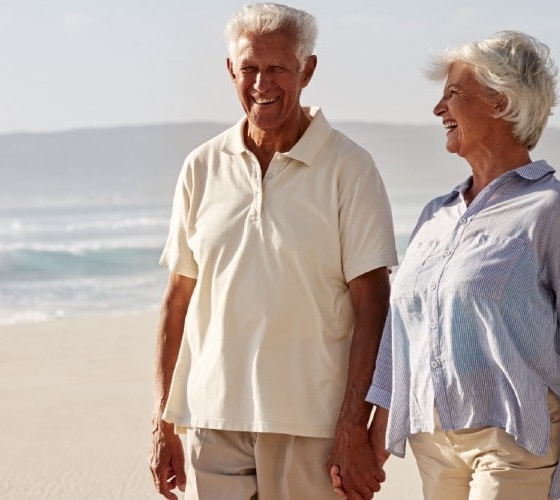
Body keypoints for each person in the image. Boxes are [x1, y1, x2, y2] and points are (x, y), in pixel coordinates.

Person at [354, 31, 560, 499]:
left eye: (453, 95)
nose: (438, 110)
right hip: (431, 440)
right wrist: (372, 441)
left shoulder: (555, 210)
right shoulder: (435, 216)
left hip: (514, 434)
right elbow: (400, 338)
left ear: (500, 102)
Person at [147, 4, 397, 499]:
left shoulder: (350, 168)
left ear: (308, 69)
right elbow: (178, 298)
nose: (262, 82)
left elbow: (374, 304)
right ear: (230, 71)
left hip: (314, 424)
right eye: (250, 68)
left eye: (278, 67)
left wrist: (355, 423)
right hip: (212, 419)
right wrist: (163, 421)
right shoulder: (201, 166)